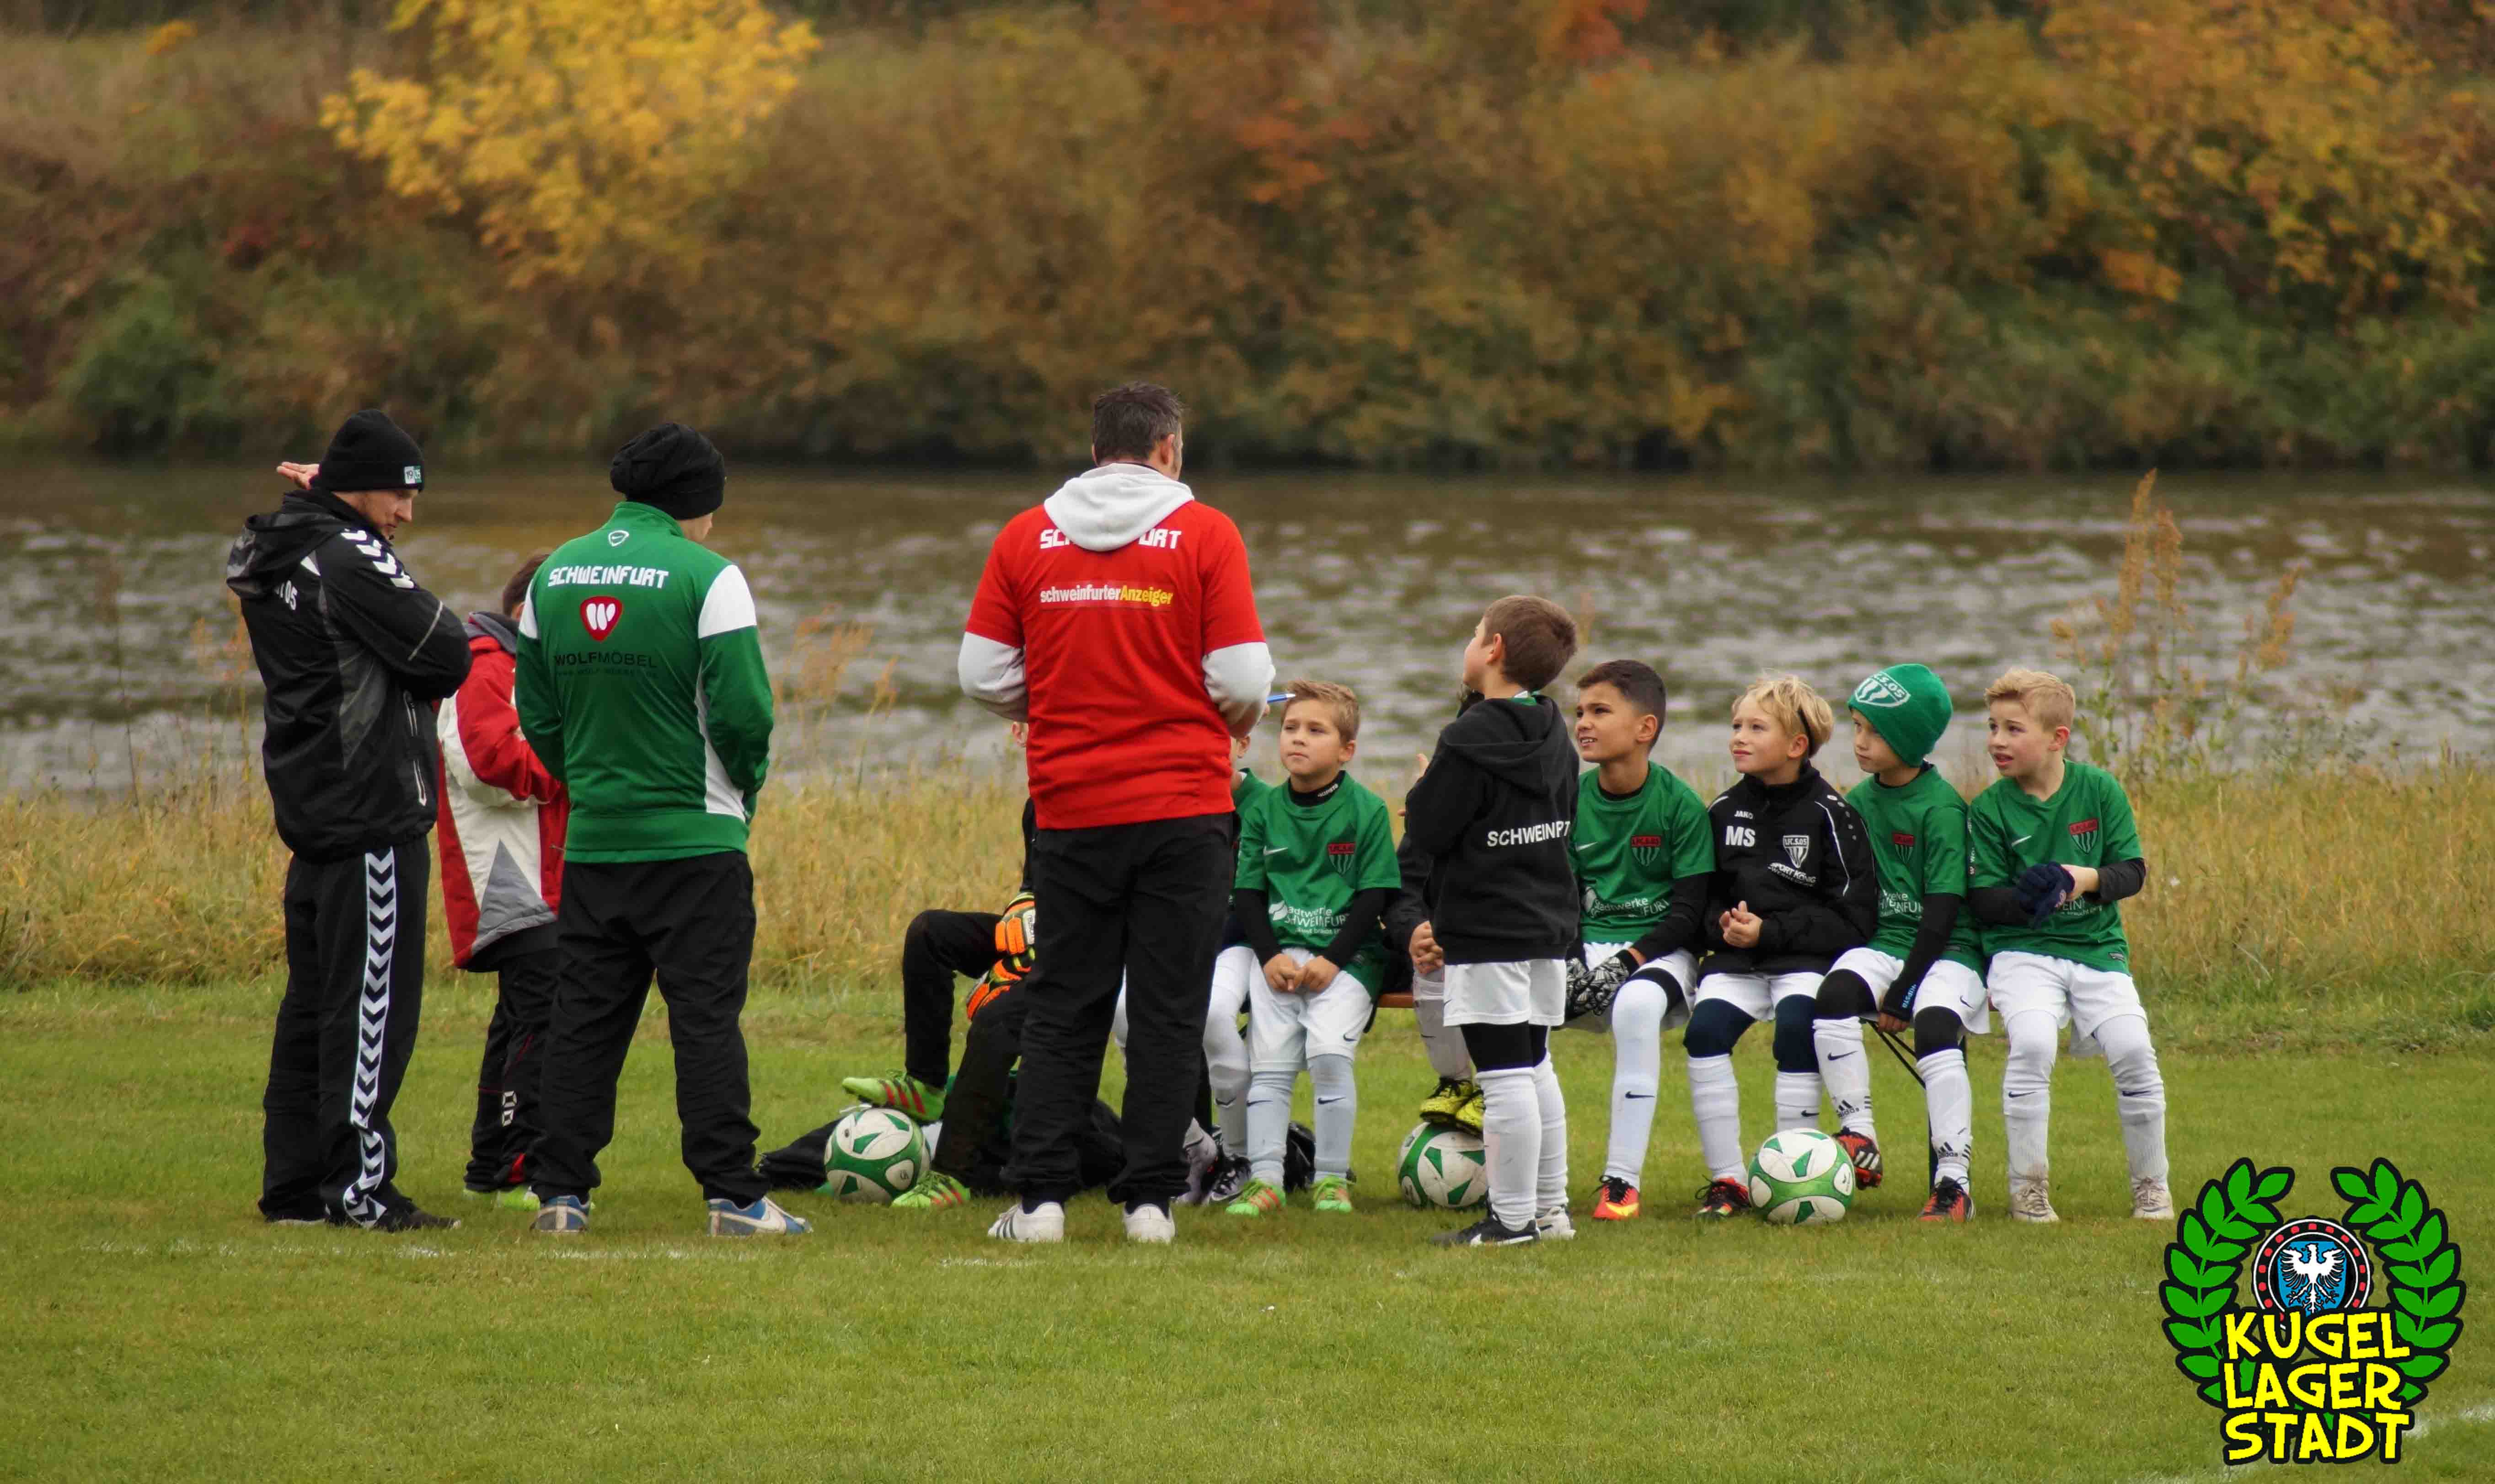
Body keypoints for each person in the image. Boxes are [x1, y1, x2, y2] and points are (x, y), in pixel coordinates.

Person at [957, 382, 1273, 1245]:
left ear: (1097, 449)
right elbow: (1243, 678)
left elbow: (981, 674)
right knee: (1169, 1010)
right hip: (1185, 808)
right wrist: (1219, 718)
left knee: (1066, 1003)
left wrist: (1056, 700)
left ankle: (1040, 1203)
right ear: (1169, 448)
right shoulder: (1208, 533)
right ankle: (1149, 1207)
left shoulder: (1025, 536)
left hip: (1073, 808)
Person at [515, 423, 807, 1238]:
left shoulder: (554, 573)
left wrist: (587, 783)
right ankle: (732, 1197)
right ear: (696, 503)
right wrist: (743, 785)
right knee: (705, 1020)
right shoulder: (711, 577)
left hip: (595, 842)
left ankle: (560, 1196)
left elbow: (535, 712)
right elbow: (746, 714)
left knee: (584, 1021)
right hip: (696, 843)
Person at [227, 409, 471, 1231]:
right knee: (372, 1013)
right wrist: (357, 532)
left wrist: (337, 508)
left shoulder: (285, 546)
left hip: (315, 808)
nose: (408, 513)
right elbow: (447, 652)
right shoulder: (345, 554)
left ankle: (295, 1186)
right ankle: (359, 1191)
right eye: (399, 495)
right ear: (359, 490)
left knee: (313, 1010)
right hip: (371, 815)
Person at [1403, 596, 1581, 1247]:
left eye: (1476, 632)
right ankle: (1551, 1211)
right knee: (1535, 1064)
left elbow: (1428, 830)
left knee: (1504, 1076)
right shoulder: (1554, 726)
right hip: (1547, 922)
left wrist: (1424, 787)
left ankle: (1510, 1221)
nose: (1469, 642)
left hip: (1488, 926)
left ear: (1494, 649)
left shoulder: (1468, 737)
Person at [1965, 667, 2170, 1223]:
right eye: (1992, 727)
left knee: (2134, 1050)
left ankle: (2151, 1185)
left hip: (2097, 949)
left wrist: (2080, 879)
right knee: (2033, 1044)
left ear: (2057, 738)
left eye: (2013, 729)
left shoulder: (2099, 790)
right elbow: (1983, 900)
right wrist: (2028, 898)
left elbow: (2131, 872)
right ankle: (2027, 1188)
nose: (1996, 740)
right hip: (2021, 953)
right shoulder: (1988, 808)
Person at [1684, 674, 1877, 1218]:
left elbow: (1853, 919)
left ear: (1796, 745)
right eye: (1736, 725)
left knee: (1796, 1028)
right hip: (1737, 961)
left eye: (1755, 727)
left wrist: (1769, 932)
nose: (1738, 737)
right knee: (1703, 1033)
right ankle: (1727, 1181)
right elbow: (1700, 899)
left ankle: (1796, 1176)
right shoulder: (1722, 810)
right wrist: (1721, 924)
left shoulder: (1832, 813)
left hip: (1803, 962)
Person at [1806, 664, 1990, 1222]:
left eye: (1875, 732)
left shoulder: (1941, 808)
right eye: (1856, 727)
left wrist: (1903, 992)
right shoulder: (1859, 800)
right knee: (1833, 996)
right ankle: (1859, 1136)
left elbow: (1942, 913)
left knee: (1934, 1026)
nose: (1859, 742)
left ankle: (1953, 1183)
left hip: (1948, 951)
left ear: (1909, 740)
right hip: (1886, 943)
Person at [1221, 681, 1399, 1217]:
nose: (1297, 738)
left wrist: (1332, 959)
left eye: (1315, 730)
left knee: (1327, 1056)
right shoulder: (1262, 810)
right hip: (1279, 958)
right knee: (1269, 1068)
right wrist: (1270, 956)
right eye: (1291, 727)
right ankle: (1265, 1180)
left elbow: (1376, 895)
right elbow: (1248, 894)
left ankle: (1330, 1180)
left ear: (1346, 749)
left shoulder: (1366, 809)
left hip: (1348, 960)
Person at [1559, 660, 1714, 1222]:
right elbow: (1559, 897)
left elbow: (1688, 913)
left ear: (1645, 728)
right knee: (1510, 1005)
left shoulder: (1679, 804)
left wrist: (1627, 960)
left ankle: (1620, 1182)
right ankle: (1514, 1175)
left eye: (1599, 711)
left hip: (1658, 951)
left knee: (1636, 1005)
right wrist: (1570, 960)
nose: (1583, 723)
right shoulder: (1567, 799)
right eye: (1579, 711)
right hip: (1584, 946)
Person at [438, 550, 569, 1209]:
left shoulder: (521, 666)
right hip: (508, 878)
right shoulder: (484, 663)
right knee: (538, 1018)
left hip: (537, 875)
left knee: (520, 1018)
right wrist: (578, 764)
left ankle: (489, 1165)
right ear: (527, 611)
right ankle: (519, 1167)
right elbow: (487, 764)